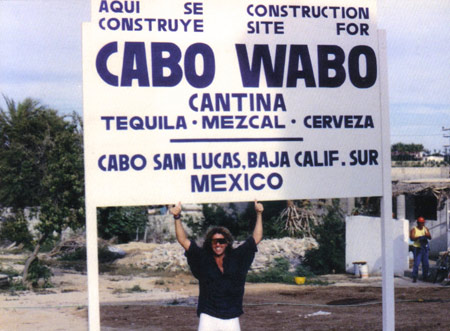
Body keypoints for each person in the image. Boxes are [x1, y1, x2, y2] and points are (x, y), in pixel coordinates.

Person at [170, 200, 264, 331]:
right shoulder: (203, 258)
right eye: (214, 242)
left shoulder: (237, 257)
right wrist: (176, 217)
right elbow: (183, 240)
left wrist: (259, 214)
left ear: (227, 243)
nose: (218, 244)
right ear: (210, 243)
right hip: (208, 315)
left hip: (231, 316)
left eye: (221, 241)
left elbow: (256, 238)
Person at [410, 216, 432, 283]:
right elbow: (412, 238)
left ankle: (425, 276)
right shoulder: (414, 229)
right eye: (420, 223)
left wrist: (426, 236)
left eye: (423, 223)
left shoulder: (425, 229)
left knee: (425, 263)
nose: (422, 224)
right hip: (417, 248)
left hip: (424, 248)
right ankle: (414, 277)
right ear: (418, 223)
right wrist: (419, 237)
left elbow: (430, 237)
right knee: (417, 263)